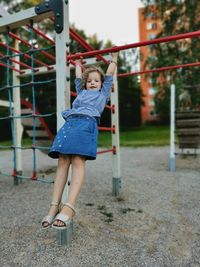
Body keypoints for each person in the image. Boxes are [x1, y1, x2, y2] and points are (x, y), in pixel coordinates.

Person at [42, 52, 119, 229]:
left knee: (77, 160)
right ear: (85, 84)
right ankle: (54, 206)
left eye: (96, 80)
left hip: (86, 124)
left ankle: (69, 207)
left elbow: (109, 75)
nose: (93, 82)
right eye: (90, 80)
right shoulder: (81, 92)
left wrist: (114, 59)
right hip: (70, 123)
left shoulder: (102, 94)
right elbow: (78, 78)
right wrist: (77, 63)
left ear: (101, 85)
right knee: (62, 160)